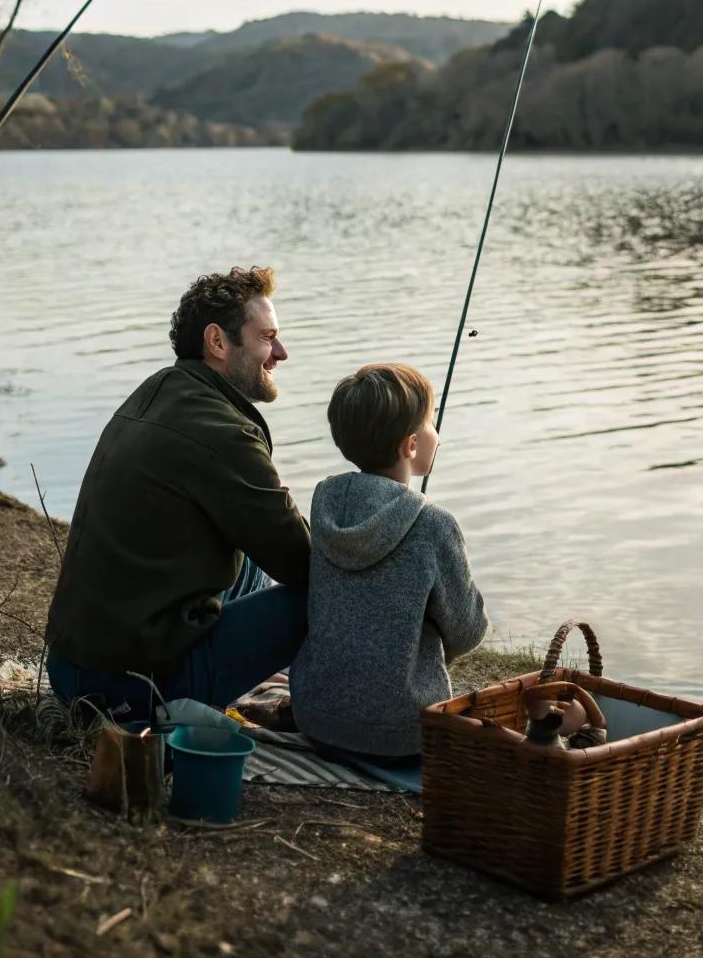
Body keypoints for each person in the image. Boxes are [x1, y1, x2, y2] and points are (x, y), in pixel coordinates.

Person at [45, 267, 310, 717]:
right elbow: (301, 561)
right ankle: (334, 711)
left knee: (250, 567)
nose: (280, 353)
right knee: (318, 597)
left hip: (71, 666)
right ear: (218, 342)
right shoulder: (224, 433)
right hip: (128, 688)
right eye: (268, 337)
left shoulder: (158, 390)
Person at [289, 362, 488, 763]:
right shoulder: (435, 525)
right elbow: (468, 631)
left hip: (316, 720)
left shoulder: (325, 502)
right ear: (411, 446)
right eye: (431, 423)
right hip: (403, 735)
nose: (438, 433)